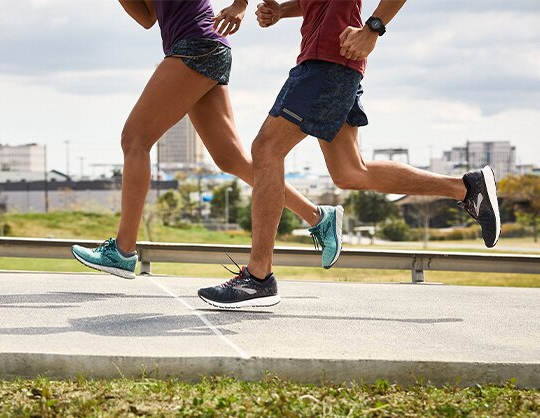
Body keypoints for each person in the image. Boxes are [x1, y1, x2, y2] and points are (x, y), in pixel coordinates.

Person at [197, 0, 501, 309]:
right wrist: (282, 12)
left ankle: (258, 277)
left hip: (328, 59)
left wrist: (373, 28)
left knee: (266, 149)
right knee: (350, 172)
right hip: (332, 60)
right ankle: (466, 188)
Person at [72, 0, 346, 280]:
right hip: (203, 48)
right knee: (231, 159)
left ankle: (122, 250)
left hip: (197, 46)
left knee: (134, 140)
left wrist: (240, 5)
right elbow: (147, 17)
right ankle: (319, 217)